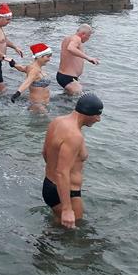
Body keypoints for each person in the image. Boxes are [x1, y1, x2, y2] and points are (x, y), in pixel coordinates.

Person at [41, 93, 103, 229]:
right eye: (97, 115)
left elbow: (45, 153)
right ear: (87, 113)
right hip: (66, 192)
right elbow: (62, 172)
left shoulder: (57, 121)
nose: (98, 119)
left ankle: (43, 247)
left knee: (58, 227)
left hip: (50, 186)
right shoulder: (74, 136)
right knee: (73, 235)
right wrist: (67, 209)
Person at [9, 43, 53, 113]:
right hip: (37, 105)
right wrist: (17, 94)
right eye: (48, 57)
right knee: (50, 121)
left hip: (42, 104)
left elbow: (22, 68)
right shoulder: (35, 70)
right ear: (39, 56)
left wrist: (14, 64)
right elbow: (27, 82)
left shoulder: (31, 67)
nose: (49, 59)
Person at [57, 24, 99, 95]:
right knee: (79, 97)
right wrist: (88, 58)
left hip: (64, 76)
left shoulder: (68, 38)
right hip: (68, 77)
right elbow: (70, 48)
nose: (88, 39)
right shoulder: (77, 39)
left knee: (68, 98)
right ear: (83, 34)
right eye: (88, 36)